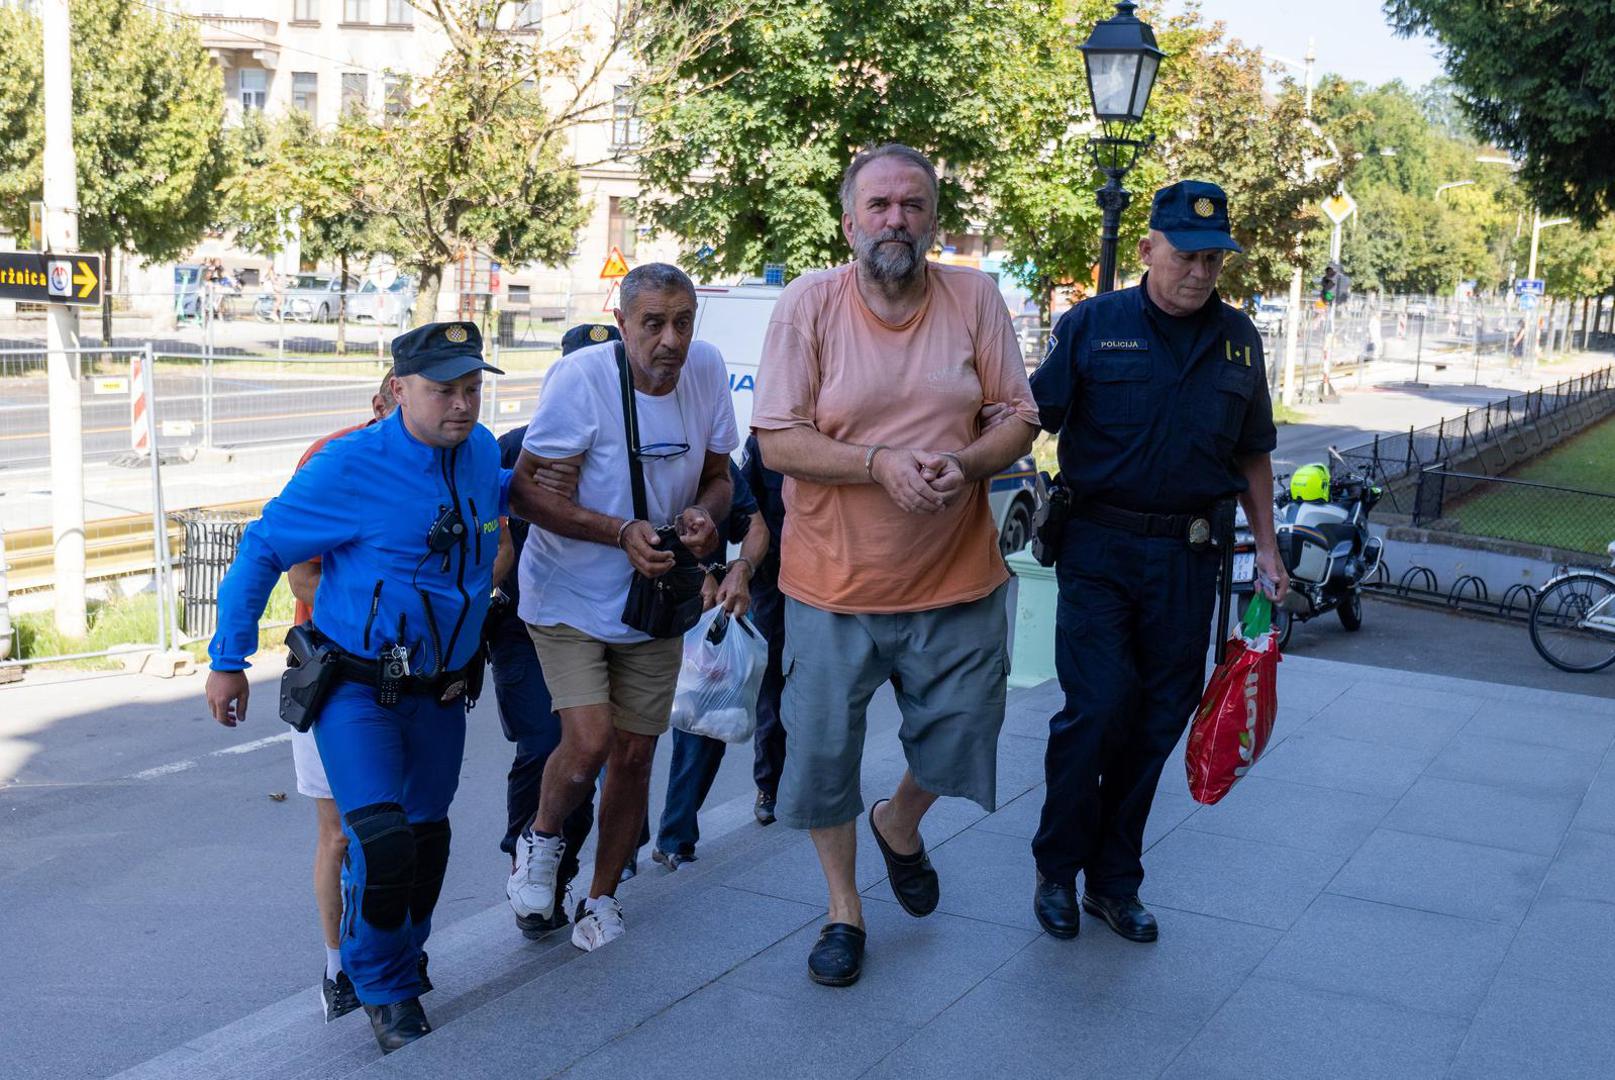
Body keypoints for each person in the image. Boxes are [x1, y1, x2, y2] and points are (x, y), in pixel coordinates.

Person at [752, 143, 1039, 987]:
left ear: (934, 221)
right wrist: (878, 462)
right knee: (822, 758)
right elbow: (776, 440)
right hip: (833, 584)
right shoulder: (809, 305)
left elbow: (1018, 415)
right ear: (848, 222)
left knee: (962, 736)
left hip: (955, 578)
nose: (895, 221)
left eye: (912, 206)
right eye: (877, 206)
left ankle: (901, 822)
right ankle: (844, 911)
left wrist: (972, 462)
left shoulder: (973, 295)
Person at [204, 321, 508, 1054]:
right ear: (398, 390)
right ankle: (381, 986)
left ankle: (403, 952)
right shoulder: (349, 466)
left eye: (471, 390)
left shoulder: (483, 455)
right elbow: (263, 548)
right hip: (358, 690)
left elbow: (496, 520)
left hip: (440, 691)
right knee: (379, 837)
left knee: (427, 840)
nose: (462, 406)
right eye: (443, 391)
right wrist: (228, 658)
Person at [1027, 180, 1288, 945]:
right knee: (1099, 706)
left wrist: (1267, 549)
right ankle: (1055, 869)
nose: (1200, 272)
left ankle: (1114, 882)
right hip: (1099, 549)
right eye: (1185, 255)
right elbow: (1027, 415)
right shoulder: (1092, 325)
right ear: (1146, 249)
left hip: (1188, 558)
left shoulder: (1239, 339)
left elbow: (1252, 452)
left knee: (1156, 721)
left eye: (1213, 259)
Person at [505, 263, 737, 952]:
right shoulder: (581, 380)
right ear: (623, 321)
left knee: (636, 753)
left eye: (683, 322)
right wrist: (618, 531)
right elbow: (524, 494)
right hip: (569, 596)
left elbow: (721, 479)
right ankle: (541, 840)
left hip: (653, 598)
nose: (671, 340)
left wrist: (701, 514)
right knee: (590, 741)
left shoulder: (707, 370)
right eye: (653, 323)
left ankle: (601, 896)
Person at [488, 322, 622, 937]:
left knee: (587, 755)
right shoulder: (519, 445)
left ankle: (561, 873)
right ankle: (527, 860)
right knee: (545, 746)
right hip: (524, 625)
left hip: (604, 621)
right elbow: (490, 530)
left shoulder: (636, 441)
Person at [280, 368, 397, 1023]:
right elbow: (300, 576)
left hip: (410, 679)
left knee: (400, 828)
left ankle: (387, 952)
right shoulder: (330, 462)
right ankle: (338, 969)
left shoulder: (445, 462)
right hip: (329, 670)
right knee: (341, 835)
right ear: (384, 403)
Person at [648, 454, 770, 869]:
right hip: (632, 611)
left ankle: (676, 837)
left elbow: (755, 527)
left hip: (703, 619)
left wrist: (741, 568)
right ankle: (623, 843)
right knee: (625, 737)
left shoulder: (715, 464)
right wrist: (698, 571)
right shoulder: (627, 456)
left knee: (706, 723)